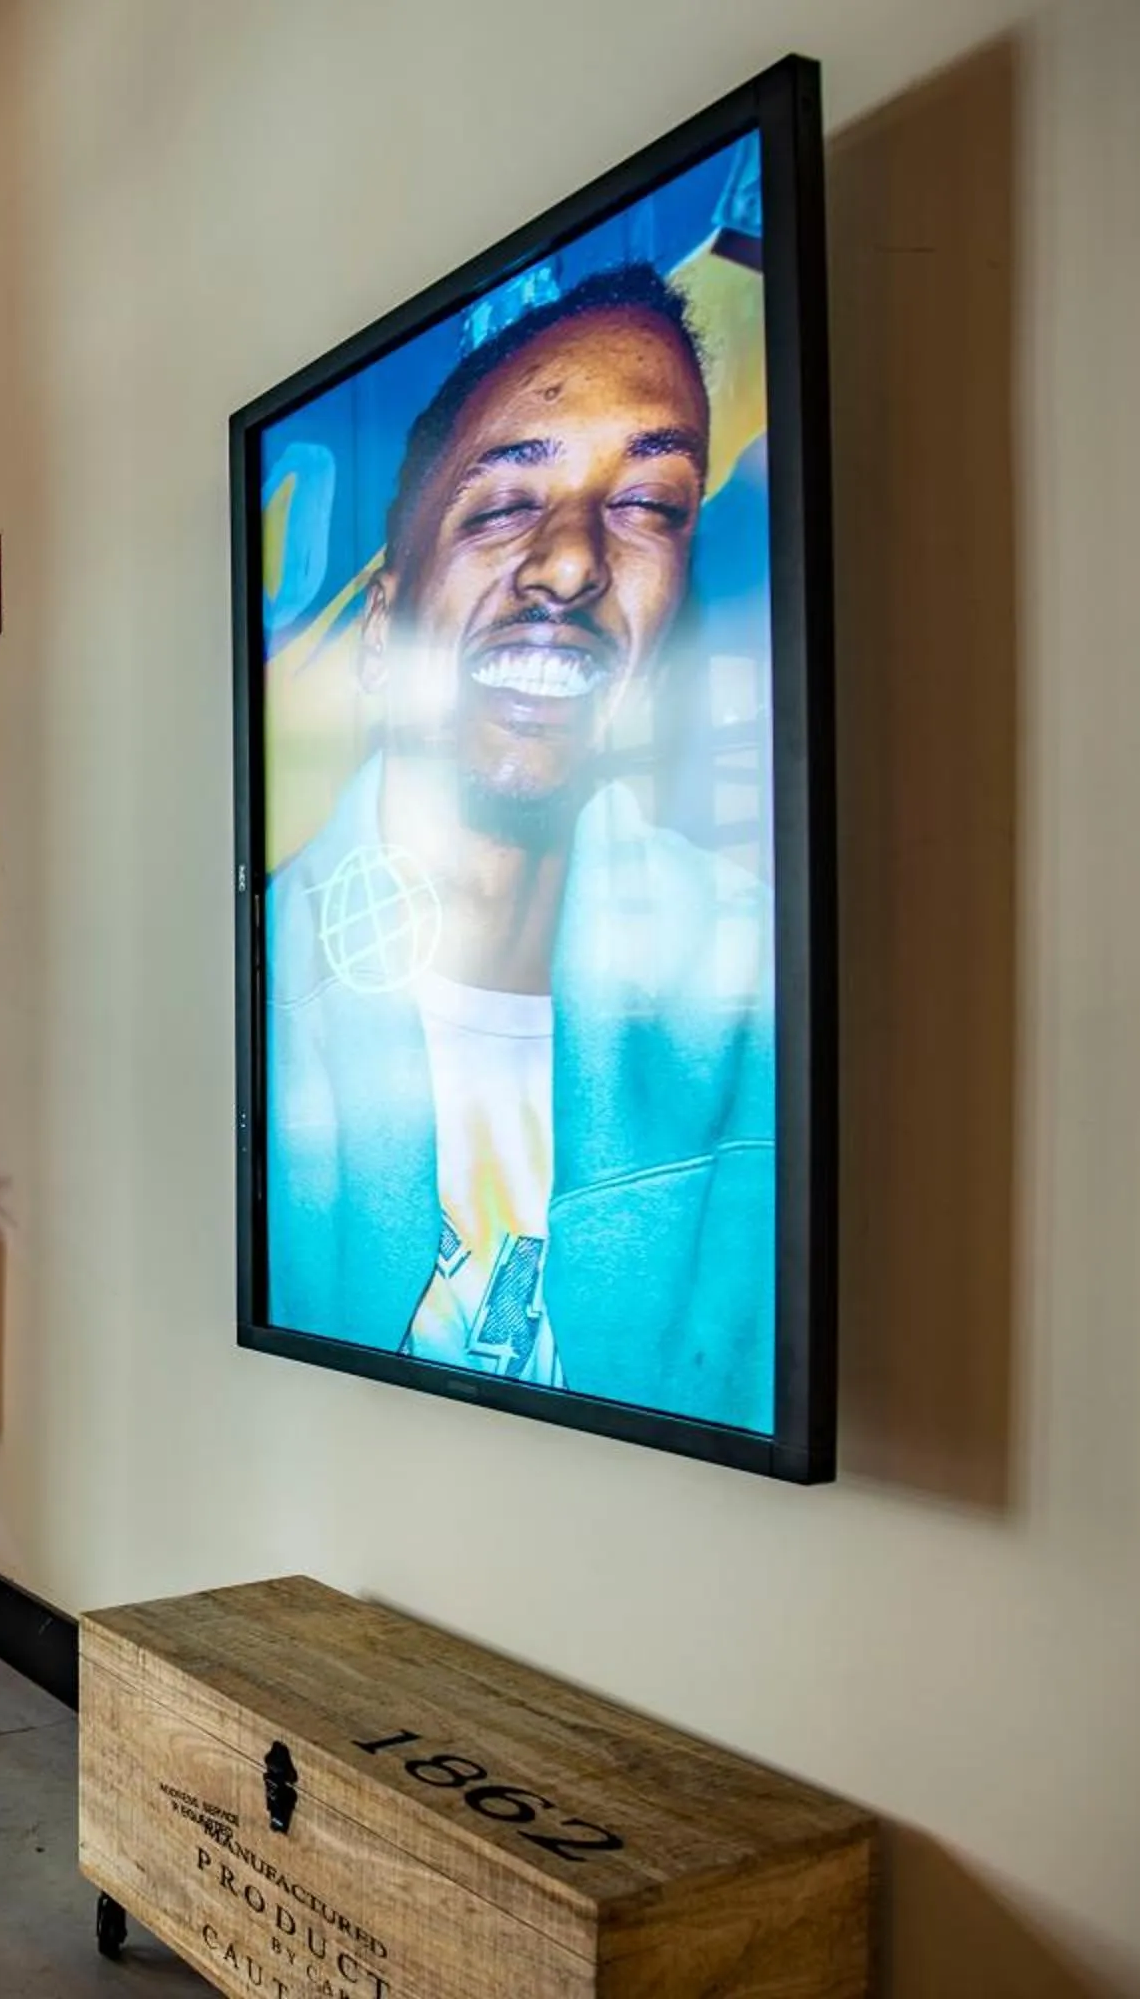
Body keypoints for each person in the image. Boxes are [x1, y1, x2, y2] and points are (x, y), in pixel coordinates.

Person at [263, 262, 776, 1432]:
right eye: (500, 507)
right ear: (385, 630)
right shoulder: (261, 978)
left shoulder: (757, 986)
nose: (571, 559)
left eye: (648, 504)